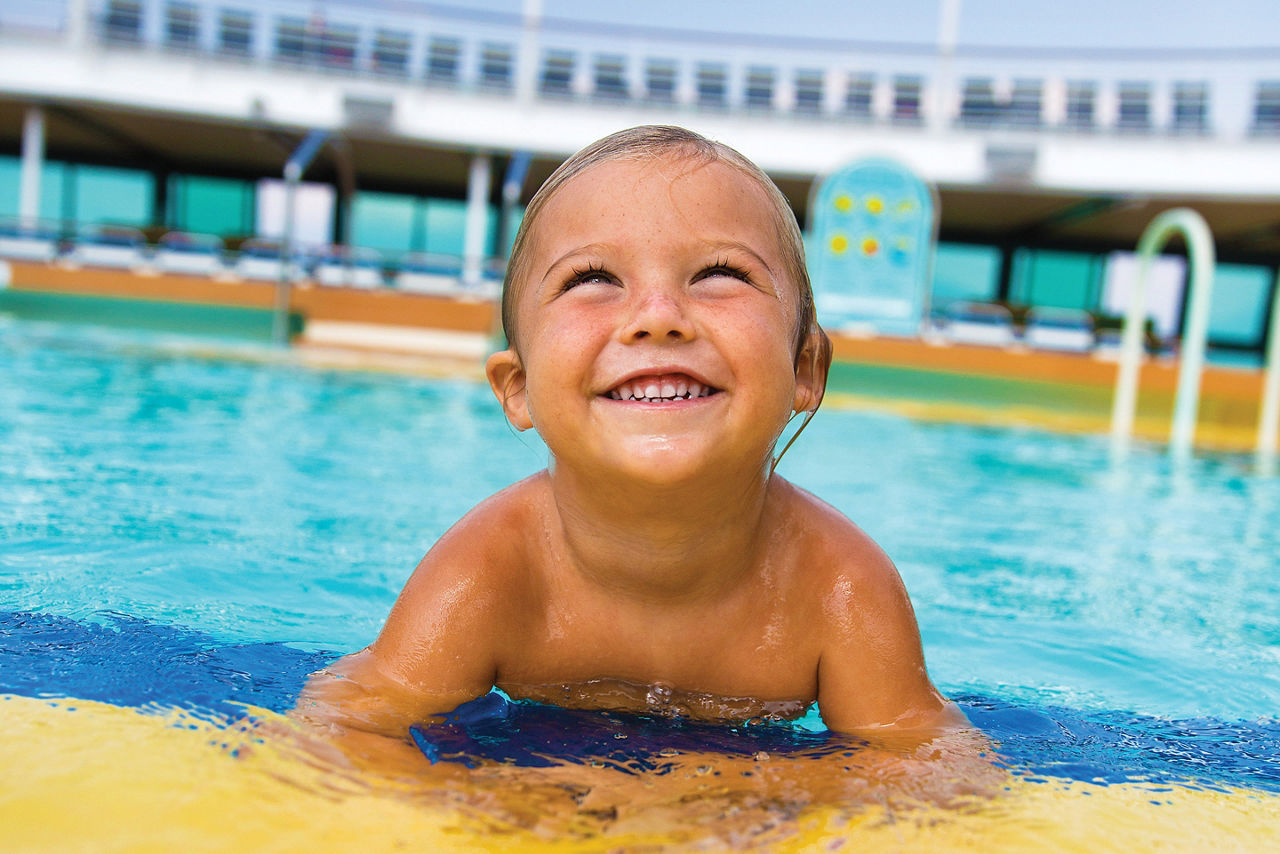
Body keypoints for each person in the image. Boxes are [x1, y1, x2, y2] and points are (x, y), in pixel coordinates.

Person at [294, 125, 966, 756]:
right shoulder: (490, 572)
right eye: (592, 280)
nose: (657, 318)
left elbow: (920, 773)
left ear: (804, 369)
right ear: (519, 387)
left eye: (719, 275)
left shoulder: (841, 589)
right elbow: (351, 729)